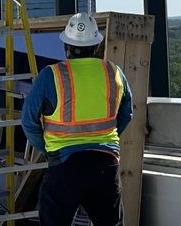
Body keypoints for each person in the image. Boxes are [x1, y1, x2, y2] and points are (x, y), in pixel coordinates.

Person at [21, 13, 132, 226]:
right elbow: (126, 114)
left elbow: (28, 121)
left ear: (66, 47)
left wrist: (47, 149)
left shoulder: (50, 76)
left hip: (64, 166)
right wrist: (105, 140)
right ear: (96, 45)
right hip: (104, 164)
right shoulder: (114, 73)